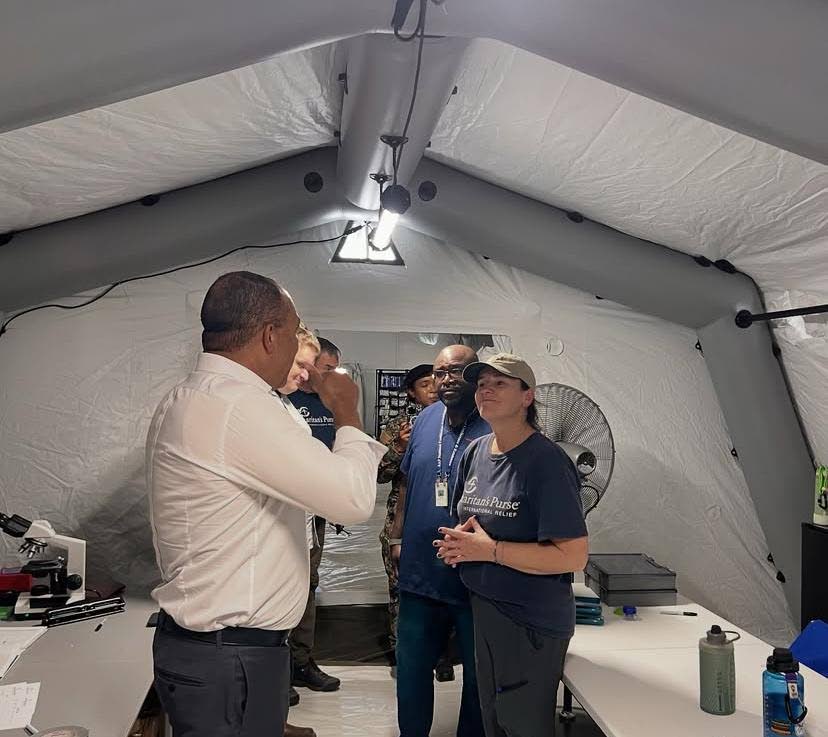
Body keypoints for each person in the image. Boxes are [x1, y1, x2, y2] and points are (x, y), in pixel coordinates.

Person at [147, 271, 386, 737]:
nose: (299, 343)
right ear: (270, 336)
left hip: (226, 650)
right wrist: (348, 414)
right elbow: (353, 500)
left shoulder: (198, 396)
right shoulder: (236, 406)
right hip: (230, 654)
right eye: (295, 329)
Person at [435, 353, 589, 737]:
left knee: (522, 724)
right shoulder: (477, 451)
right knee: (495, 722)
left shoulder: (547, 463)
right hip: (484, 608)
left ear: (527, 397)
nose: (486, 390)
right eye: (482, 383)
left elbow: (572, 555)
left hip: (529, 619)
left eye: (500, 383)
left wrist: (489, 551)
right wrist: (459, 545)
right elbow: (468, 522)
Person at [388, 345, 490, 737]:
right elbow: (410, 480)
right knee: (411, 667)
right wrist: (397, 538)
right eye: (440, 372)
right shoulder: (426, 418)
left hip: (474, 578)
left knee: (479, 675)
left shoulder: (495, 425)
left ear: (476, 375)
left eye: (457, 371)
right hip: (419, 571)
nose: (446, 379)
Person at [287, 336, 343, 693]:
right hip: (284, 509)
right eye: (324, 368)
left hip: (315, 509)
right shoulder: (282, 399)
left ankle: (300, 661)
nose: (327, 376)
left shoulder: (330, 401)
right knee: (282, 583)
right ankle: (276, 665)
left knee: (308, 583)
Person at [377, 364, 438, 670]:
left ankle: (439, 653)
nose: (434, 389)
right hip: (402, 517)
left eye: (436, 382)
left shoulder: (456, 423)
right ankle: (402, 653)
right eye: (425, 385)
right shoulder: (397, 426)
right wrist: (399, 446)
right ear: (412, 393)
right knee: (400, 589)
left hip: (441, 518)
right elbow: (378, 474)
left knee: (440, 588)